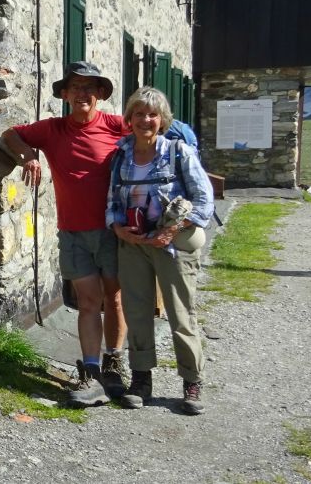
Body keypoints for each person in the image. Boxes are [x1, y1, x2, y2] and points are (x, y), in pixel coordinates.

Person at [2, 61, 128, 407]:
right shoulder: (52, 130)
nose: (82, 93)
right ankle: (91, 372)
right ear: (65, 94)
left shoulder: (117, 126)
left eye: (90, 87)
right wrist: (28, 155)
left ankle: (114, 363)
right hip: (72, 232)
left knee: (113, 299)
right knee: (88, 302)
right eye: (75, 87)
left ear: (100, 93)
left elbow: (159, 132)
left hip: (111, 230)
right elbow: (10, 133)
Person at [106, 86, 214, 415]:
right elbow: (112, 199)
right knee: (137, 312)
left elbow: (204, 199)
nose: (146, 120)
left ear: (162, 119)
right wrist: (116, 227)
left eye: (152, 114)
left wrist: (171, 230)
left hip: (172, 244)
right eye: (139, 113)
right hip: (133, 245)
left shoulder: (178, 151)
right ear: (130, 119)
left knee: (181, 314)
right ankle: (141, 380)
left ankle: (191, 382)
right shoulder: (121, 154)